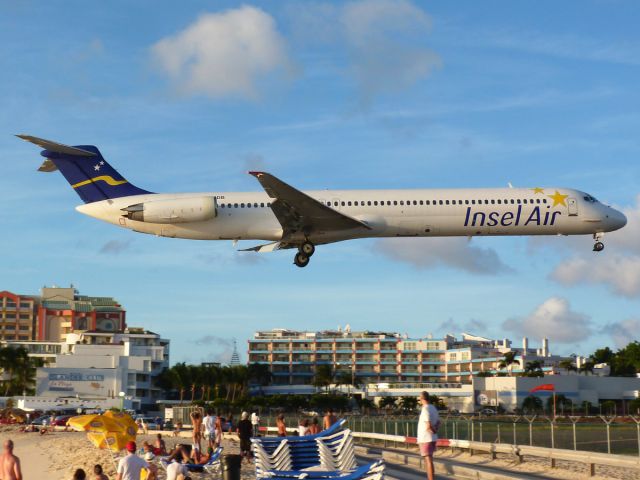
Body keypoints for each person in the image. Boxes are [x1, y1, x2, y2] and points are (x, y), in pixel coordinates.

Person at [418, 391, 440, 480]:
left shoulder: (425, 409)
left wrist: (432, 431)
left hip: (425, 438)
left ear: (422, 399)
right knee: (429, 459)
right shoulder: (433, 408)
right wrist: (435, 431)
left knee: (428, 460)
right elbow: (438, 422)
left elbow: (428, 425)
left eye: (419, 398)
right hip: (432, 438)